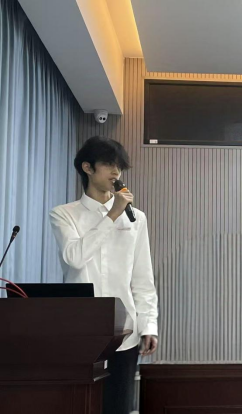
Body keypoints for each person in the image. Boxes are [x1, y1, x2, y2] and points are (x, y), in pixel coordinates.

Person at [49, 136, 159, 414]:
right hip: (80, 330)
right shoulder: (64, 214)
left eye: (118, 166)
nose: (116, 172)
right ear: (87, 168)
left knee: (119, 406)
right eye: (109, 164)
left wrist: (149, 324)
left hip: (125, 331)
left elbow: (142, 276)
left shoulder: (137, 218)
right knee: (81, 405)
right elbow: (74, 258)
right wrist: (111, 216)